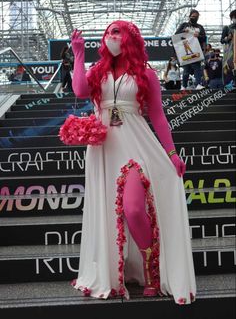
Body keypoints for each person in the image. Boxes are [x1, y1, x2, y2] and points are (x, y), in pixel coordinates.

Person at [70, 20, 196, 305]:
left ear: (129, 38)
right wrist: (78, 54)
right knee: (113, 210)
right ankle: (124, 270)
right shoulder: (97, 71)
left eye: (116, 32)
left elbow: (158, 116)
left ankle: (152, 271)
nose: (110, 37)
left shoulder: (146, 75)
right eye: (107, 32)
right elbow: (79, 91)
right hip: (104, 149)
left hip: (137, 144)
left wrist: (172, 153)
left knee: (135, 208)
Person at [175, 9, 206, 89]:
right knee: (186, 69)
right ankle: (184, 86)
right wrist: (183, 31)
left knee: (197, 68)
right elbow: (176, 35)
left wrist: (198, 36)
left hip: (196, 50)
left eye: (196, 17)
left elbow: (204, 38)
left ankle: (198, 84)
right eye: (193, 16)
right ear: (189, 16)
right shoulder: (184, 25)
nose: (194, 18)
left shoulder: (200, 27)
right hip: (185, 50)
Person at [220, 9, 236, 86]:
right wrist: (228, 38)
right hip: (230, 50)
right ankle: (230, 83)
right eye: (234, 17)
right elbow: (222, 40)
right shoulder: (227, 28)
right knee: (229, 66)